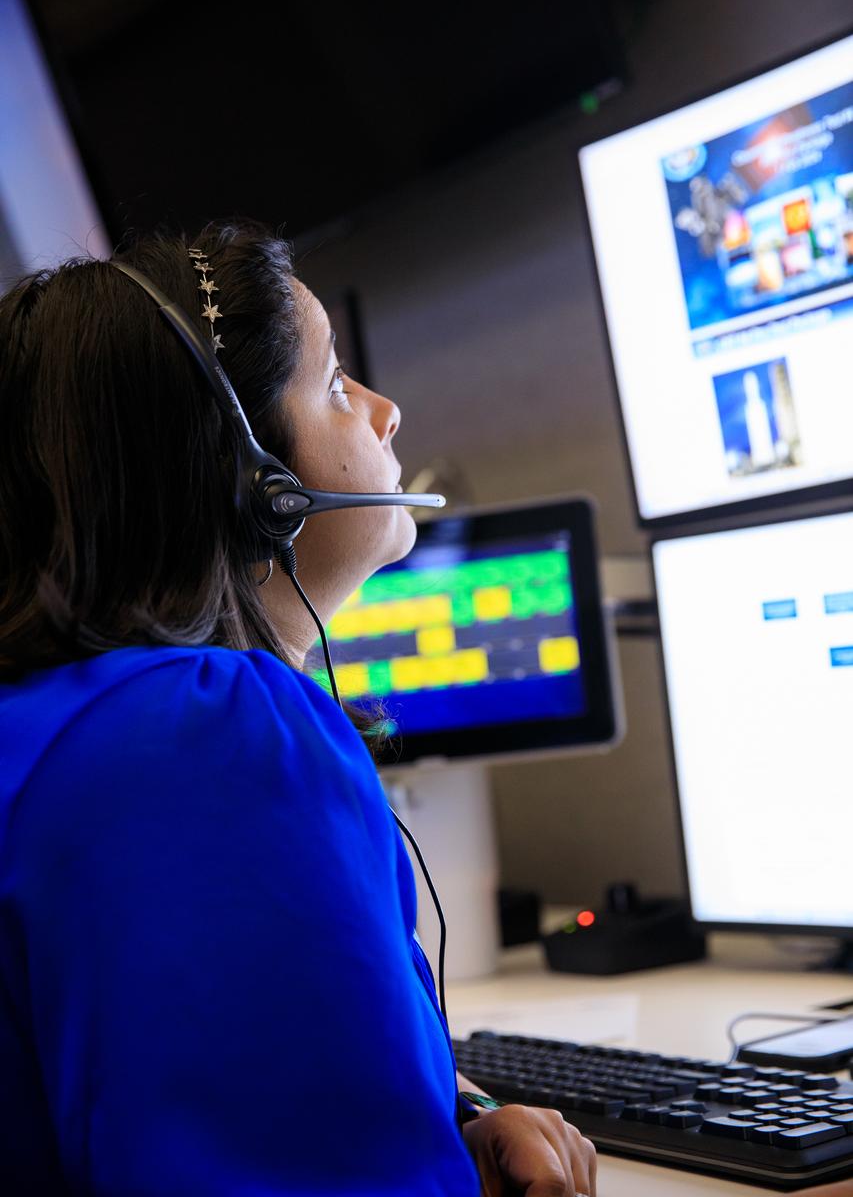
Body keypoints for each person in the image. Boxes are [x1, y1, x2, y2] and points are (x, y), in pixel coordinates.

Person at [0, 220, 597, 1196]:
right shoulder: (201, 743)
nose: (385, 409)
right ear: (252, 485)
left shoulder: (58, 723)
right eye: (332, 382)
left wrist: (455, 1117)